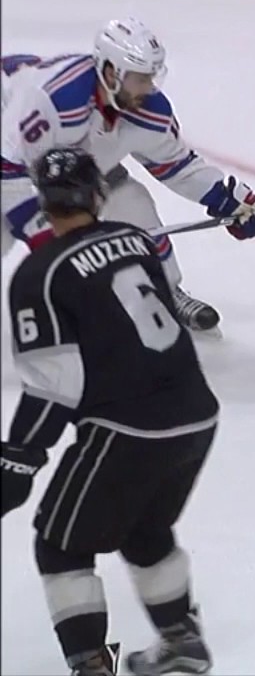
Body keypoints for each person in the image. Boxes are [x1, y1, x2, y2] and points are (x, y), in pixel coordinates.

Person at [1, 148, 219, 675]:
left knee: (60, 546)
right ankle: (181, 640)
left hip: (128, 428)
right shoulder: (138, 242)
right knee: (145, 532)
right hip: (196, 414)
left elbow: (56, 384)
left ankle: (92, 667)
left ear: (44, 203)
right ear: (97, 194)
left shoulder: (39, 275)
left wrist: (19, 458)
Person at [1, 17, 255, 336]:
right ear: (109, 73)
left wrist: (229, 201)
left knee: (130, 201)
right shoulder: (54, 98)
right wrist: (47, 237)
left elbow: (177, 165)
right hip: (8, 148)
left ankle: (163, 289)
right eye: (139, 79)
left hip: (71, 163)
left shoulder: (149, 110)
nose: (147, 88)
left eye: (150, 77)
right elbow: (7, 174)